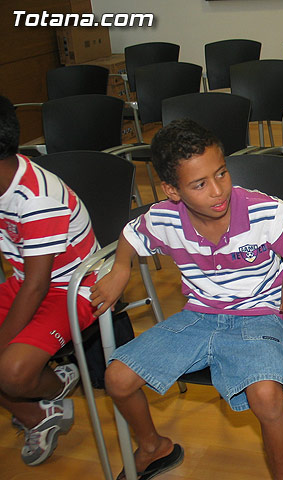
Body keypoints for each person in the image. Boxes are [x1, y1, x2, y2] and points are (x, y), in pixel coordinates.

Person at [90, 119, 283, 480]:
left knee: (267, 396)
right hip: (198, 316)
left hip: (259, 315)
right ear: (172, 190)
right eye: (200, 184)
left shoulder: (258, 210)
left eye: (221, 174)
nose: (218, 191)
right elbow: (131, 233)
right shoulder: (164, 217)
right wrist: (121, 269)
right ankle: (154, 447)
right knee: (117, 378)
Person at [0, 95, 99, 466]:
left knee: (9, 370)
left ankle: (56, 383)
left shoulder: (36, 197)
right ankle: (38, 415)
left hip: (73, 287)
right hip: (25, 281)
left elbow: (39, 286)